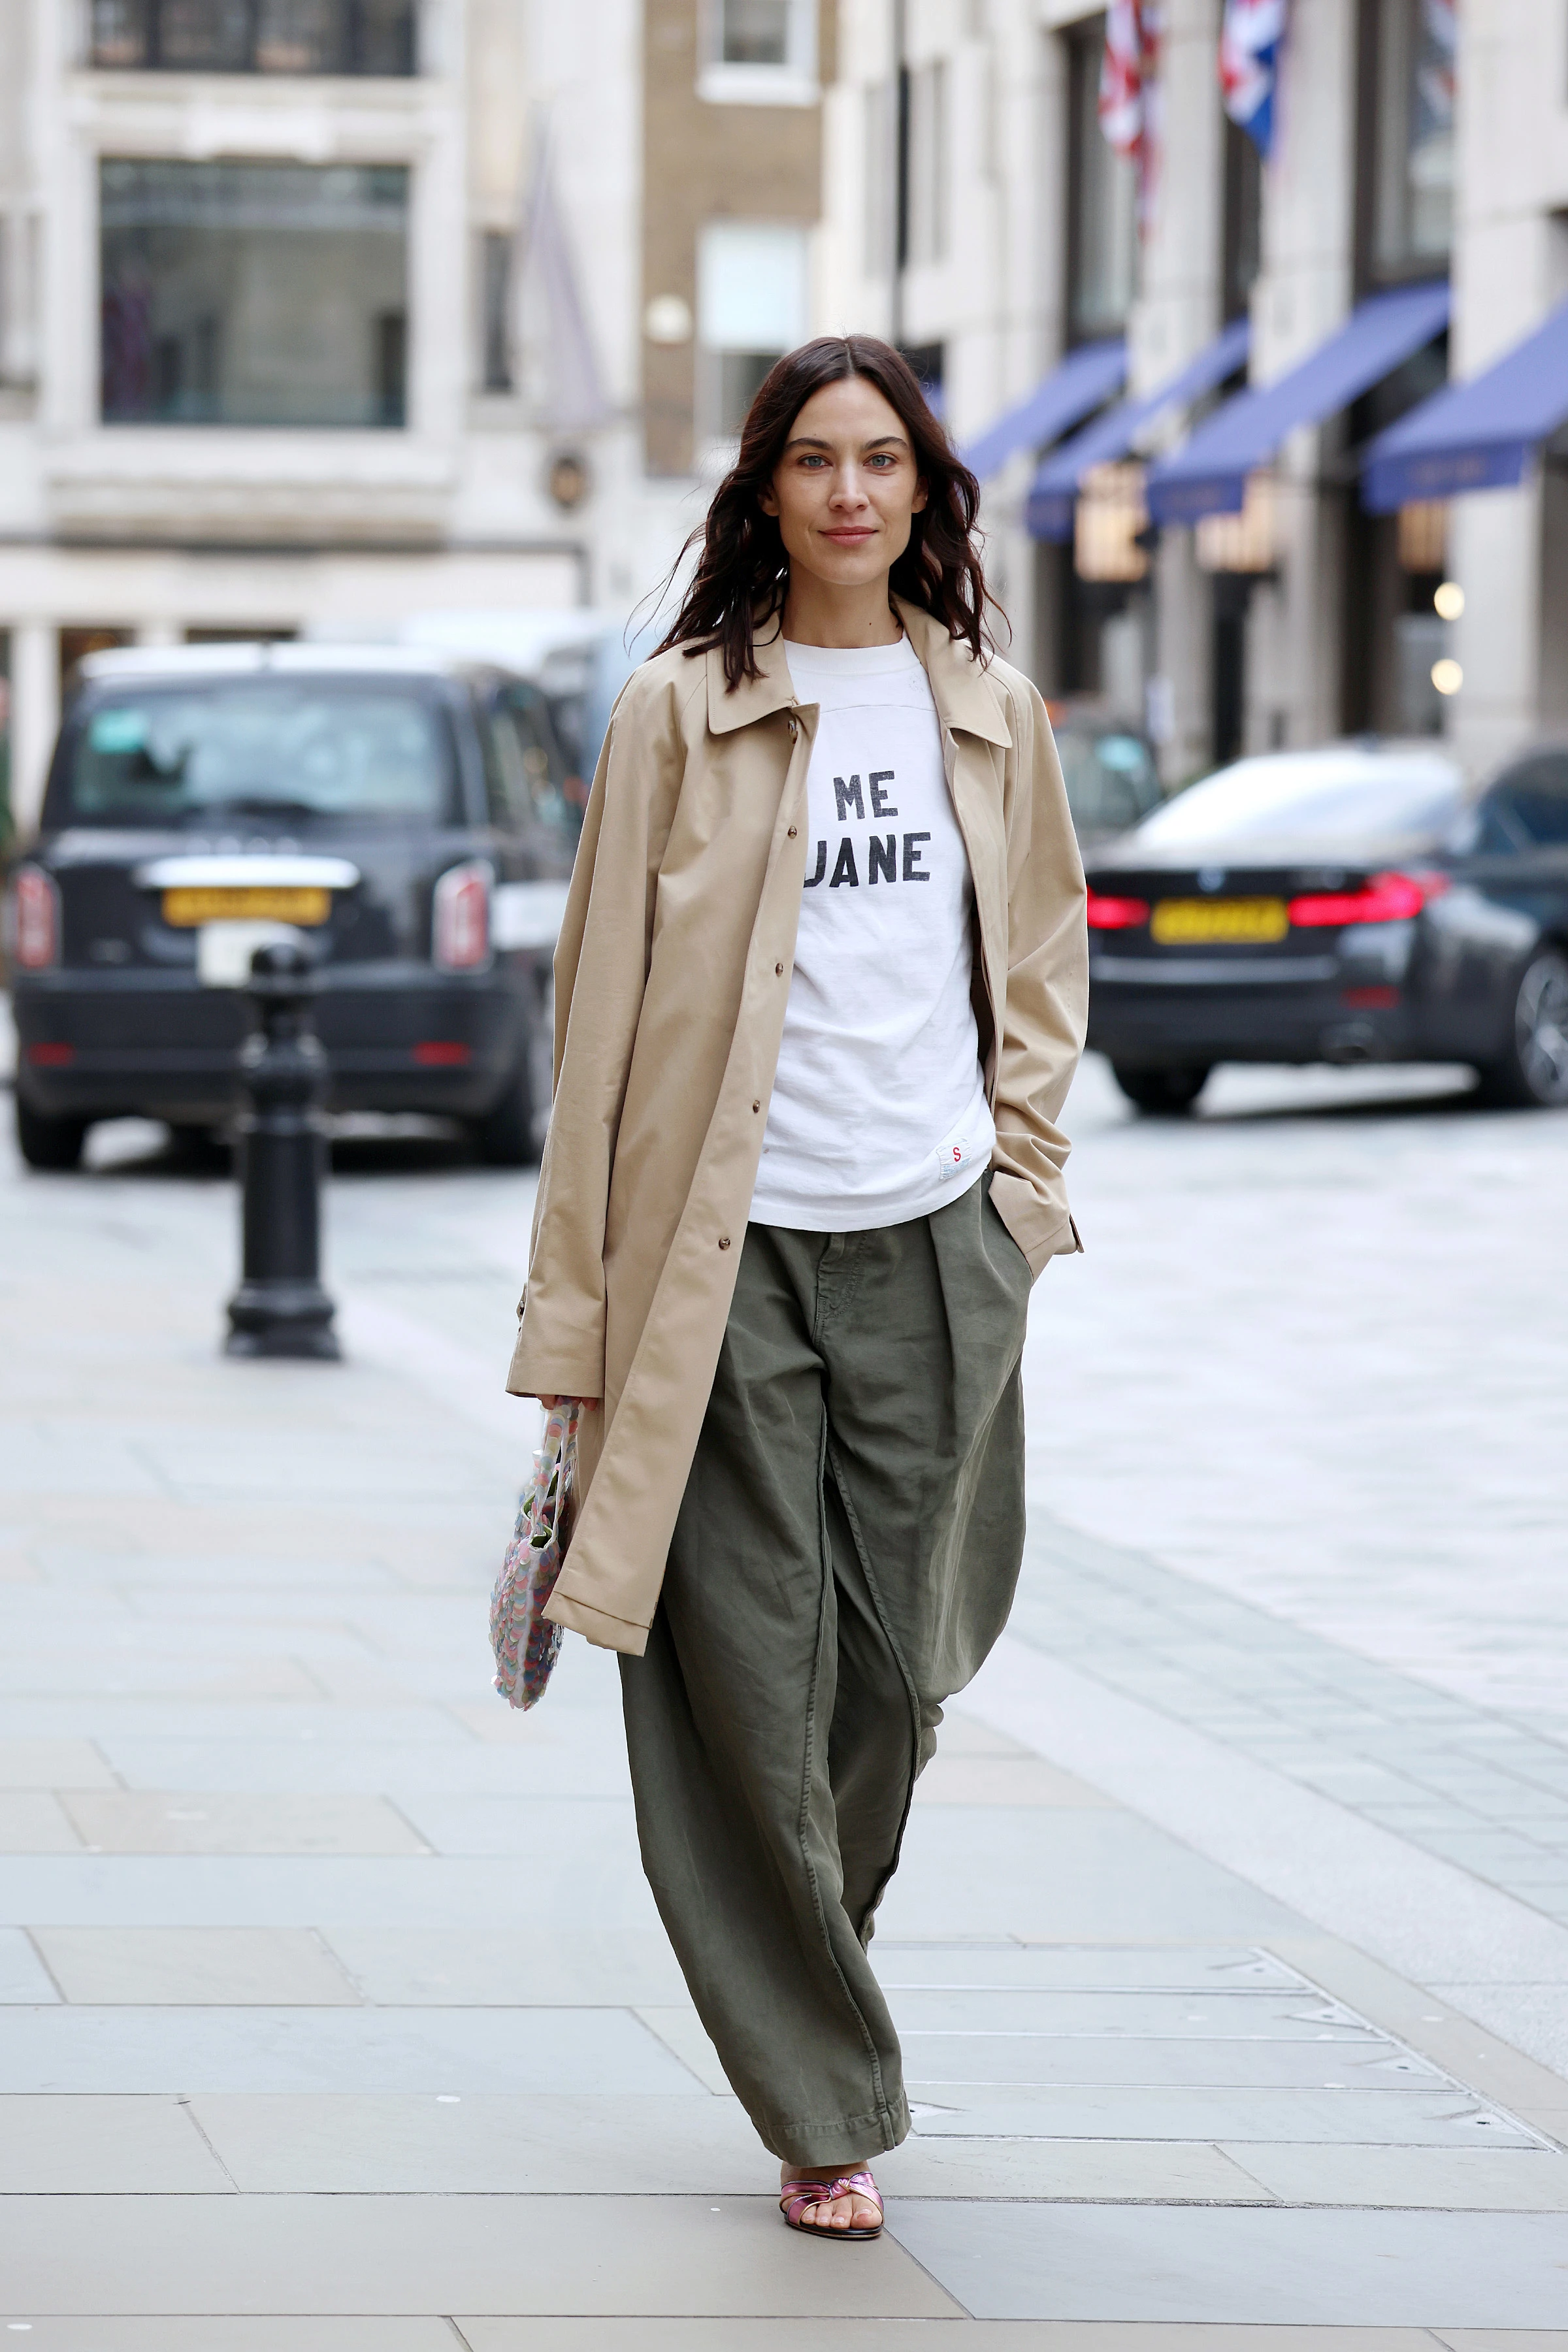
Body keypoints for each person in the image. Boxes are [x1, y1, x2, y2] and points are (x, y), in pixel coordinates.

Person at [508, 334, 1086, 2240]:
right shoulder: (683, 713)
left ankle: (801, 1973)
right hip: (727, 1263)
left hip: (935, 1249)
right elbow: (597, 1033)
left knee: (904, 1670)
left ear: (927, 492)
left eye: (884, 461)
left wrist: (1019, 1184)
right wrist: (574, 1334)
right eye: (814, 461)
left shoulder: (993, 712)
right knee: (745, 1672)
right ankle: (820, 2101)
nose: (850, 492)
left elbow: (1048, 963)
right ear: (766, 491)